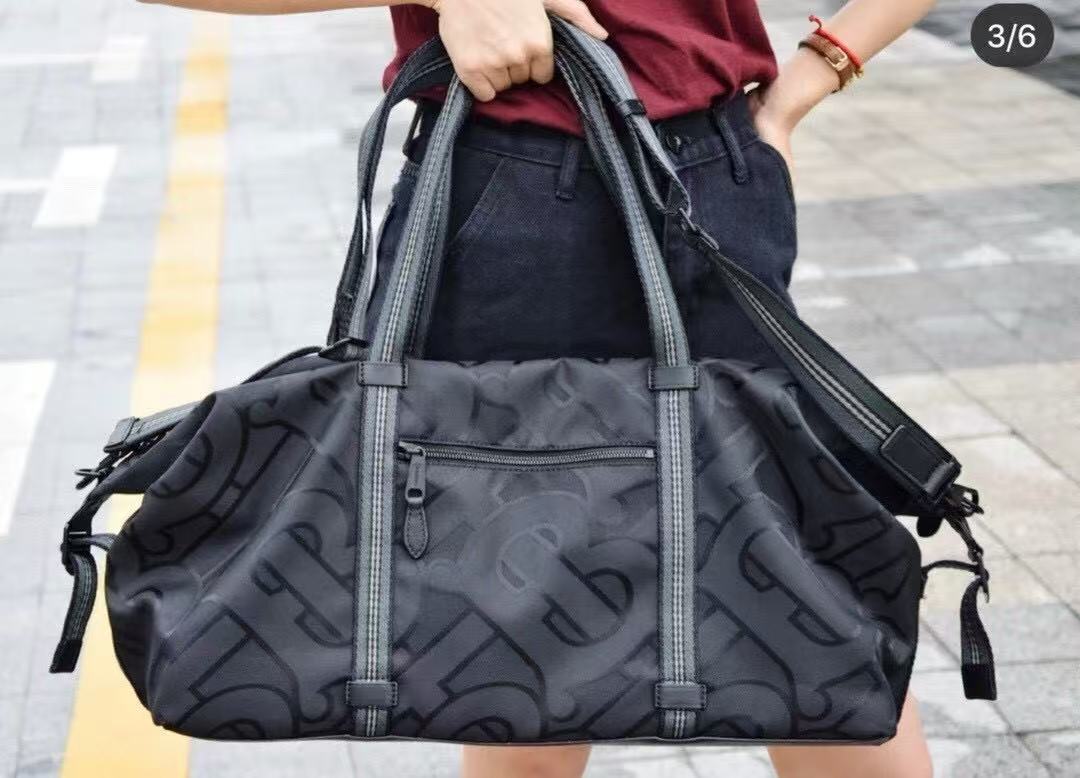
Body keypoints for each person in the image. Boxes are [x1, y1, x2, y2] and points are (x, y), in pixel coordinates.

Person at [142, 0, 938, 775]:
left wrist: (814, 75)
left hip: (707, 185)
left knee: (812, 629)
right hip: (506, 193)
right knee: (516, 655)